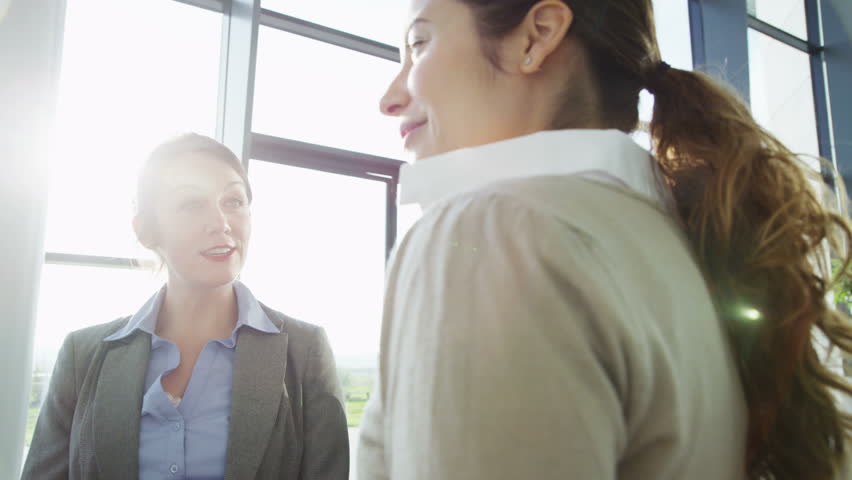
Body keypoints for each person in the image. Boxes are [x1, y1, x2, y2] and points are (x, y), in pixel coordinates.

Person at [358, 1, 852, 479]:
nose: (389, 98)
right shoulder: (680, 240)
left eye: (419, 45)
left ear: (537, 36)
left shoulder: (494, 232)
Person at [22, 134, 349, 479]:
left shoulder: (304, 351)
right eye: (192, 204)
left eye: (234, 201)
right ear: (146, 231)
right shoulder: (83, 356)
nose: (221, 223)